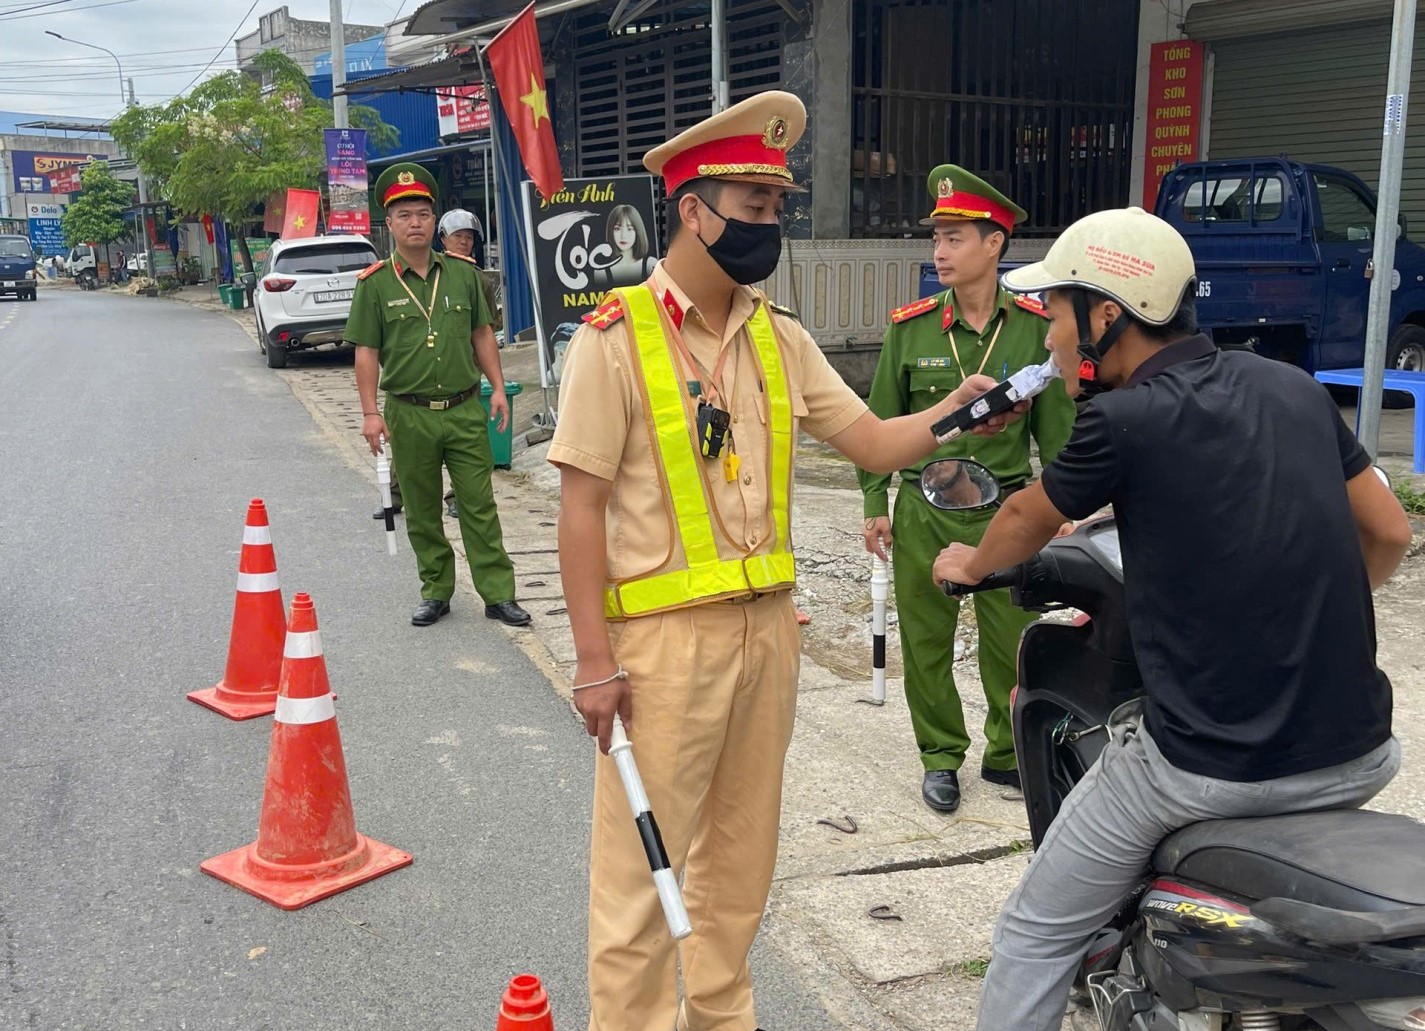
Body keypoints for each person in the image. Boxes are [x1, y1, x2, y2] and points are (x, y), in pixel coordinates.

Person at [550, 91, 1025, 1031]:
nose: (771, 228)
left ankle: (723, 1019)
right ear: (694, 210)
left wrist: (963, 409)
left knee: (739, 868)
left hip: (768, 637)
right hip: (658, 651)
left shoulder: (780, 337)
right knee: (640, 879)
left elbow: (878, 443)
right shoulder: (616, 338)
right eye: (754, 210)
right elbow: (579, 508)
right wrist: (594, 661)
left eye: (776, 212)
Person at [929, 206, 1413, 1031]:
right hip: (1361, 750)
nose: (1048, 335)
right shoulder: (1288, 387)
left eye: (1055, 313)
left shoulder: (1122, 419)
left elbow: (1021, 520)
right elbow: (1389, 530)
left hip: (1207, 764)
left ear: (1106, 314)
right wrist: (1306, 613)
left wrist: (966, 564)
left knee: (1031, 932)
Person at [857, 164, 1075, 813]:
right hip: (923, 508)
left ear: (994, 243)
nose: (940, 251)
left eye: (954, 237)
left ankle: (1007, 753)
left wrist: (1062, 509)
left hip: (1005, 510)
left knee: (1010, 640)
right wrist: (874, 502)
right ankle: (939, 757)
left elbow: (1060, 432)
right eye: (936, 239)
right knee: (926, 645)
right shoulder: (911, 328)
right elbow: (875, 425)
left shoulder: (1036, 327)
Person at [346, 163, 532, 629]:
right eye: (404, 214)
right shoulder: (374, 285)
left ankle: (498, 593)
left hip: (465, 407)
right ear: (388, 224)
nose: (415, 223)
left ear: (436, 221)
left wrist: (497, 389)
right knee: (423, 510)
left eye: (423, 214)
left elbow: (483, 334)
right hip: (407, 415)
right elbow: (366, 353)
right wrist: (371, 414)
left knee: (479, 504)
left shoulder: (465, 274)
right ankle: (436, 590)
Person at [594, 204, 656, 288]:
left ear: (638, 231)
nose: (623, 235)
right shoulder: (601, 272)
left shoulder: (650, 265)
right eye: (617, 229)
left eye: (630, 229)